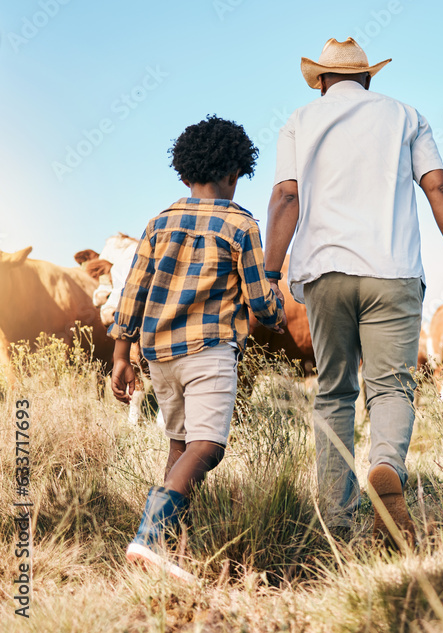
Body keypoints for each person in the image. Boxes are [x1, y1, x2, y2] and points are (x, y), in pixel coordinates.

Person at [264, 38, 443, 545]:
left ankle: (337, 518)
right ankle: (386, 467)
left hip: (324, 273)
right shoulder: (405, 116)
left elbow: (286, 196)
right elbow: (439, 186)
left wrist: (271, 275)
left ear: (320, 81)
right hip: (392, 270)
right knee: (391, 387)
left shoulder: (299, 120)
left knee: (334, 391)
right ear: (367, 78)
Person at [109, 116, 285, 580]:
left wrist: (120, 356)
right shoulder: (241, 225)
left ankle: (168, 551)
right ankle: (150, 534)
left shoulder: (159, 222)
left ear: (184, 174)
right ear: (235, 175)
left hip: (158, 355)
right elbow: (260, 303)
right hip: (209, 350)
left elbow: (132, 291)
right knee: (208, 446)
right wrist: (277, 303)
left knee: (180, 446)